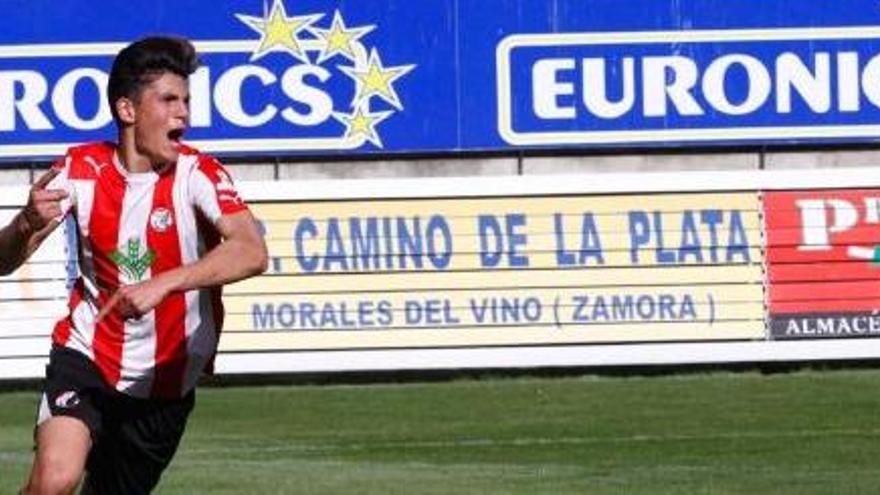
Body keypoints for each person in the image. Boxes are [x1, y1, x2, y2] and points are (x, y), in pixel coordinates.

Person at [0, 36, 268, 494]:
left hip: (165, 381)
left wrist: (166, 283)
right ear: (128, 111)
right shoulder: (80, 169)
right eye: (168, 99)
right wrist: (25, 223)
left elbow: (251, 250)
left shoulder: (199, 174)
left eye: (186, 100)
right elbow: (3, 262)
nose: (184, 112)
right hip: (89, 357)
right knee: (54, 480)